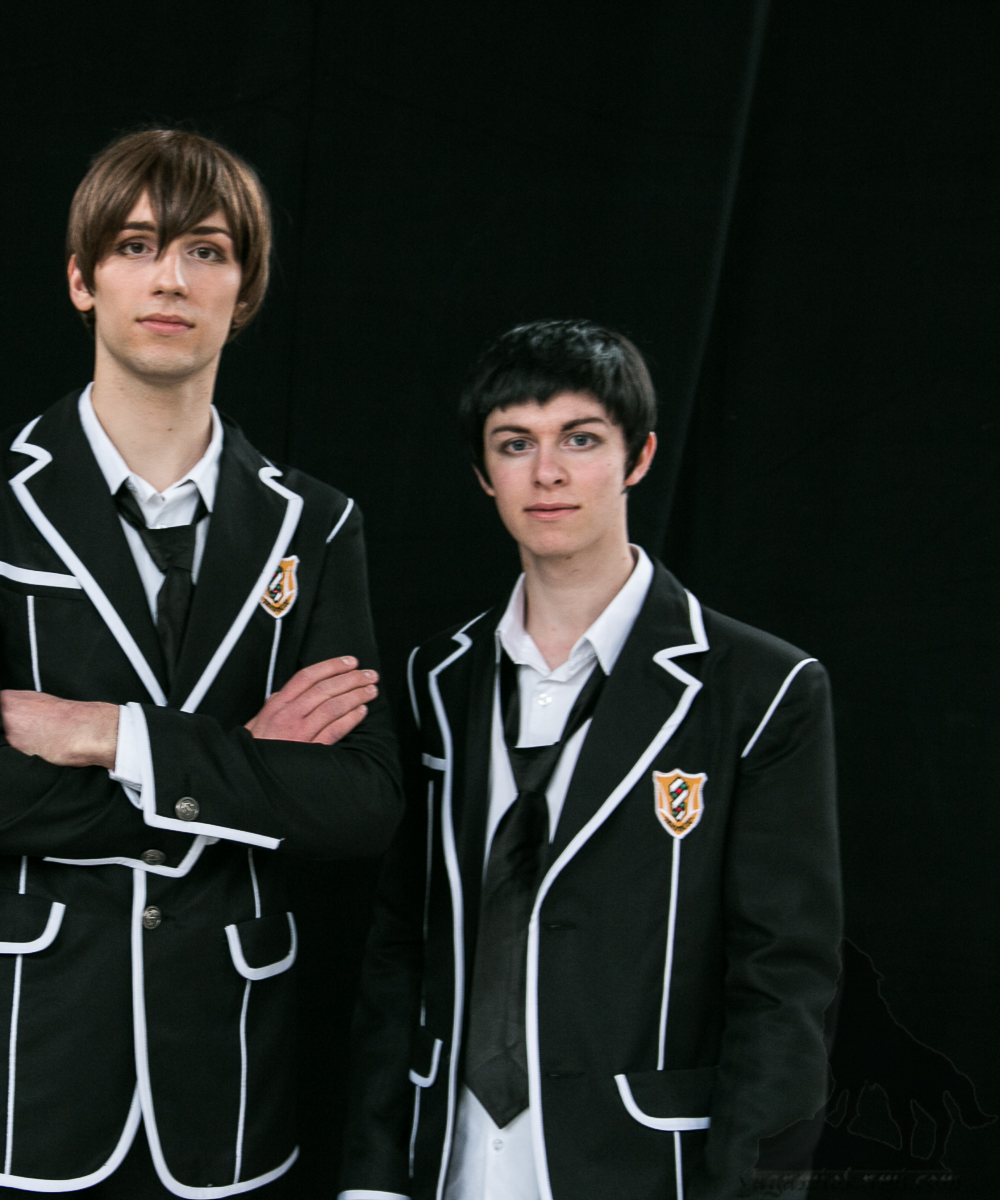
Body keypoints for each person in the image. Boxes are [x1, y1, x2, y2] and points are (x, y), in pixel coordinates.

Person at [0, 129, 404, 1199]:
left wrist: (111, 736)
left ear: (244, 289)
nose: (171, 278)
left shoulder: (317, 526)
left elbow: (359, 803)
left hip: (226, 1087)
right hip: (7, 1082)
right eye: (136, 246)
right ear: (83, 279)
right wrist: (241, 769)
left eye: (206, 250)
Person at [336, 319, 842, 1200]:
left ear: (638, 456)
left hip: (645, 1166)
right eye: (515, 443)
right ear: (483, 473)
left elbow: (784, 987)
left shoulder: (762, 688)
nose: (548, 472)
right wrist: (374, 1178)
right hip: (448, 1160)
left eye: (580, 439)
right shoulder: (434, 681)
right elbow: (399, 950)